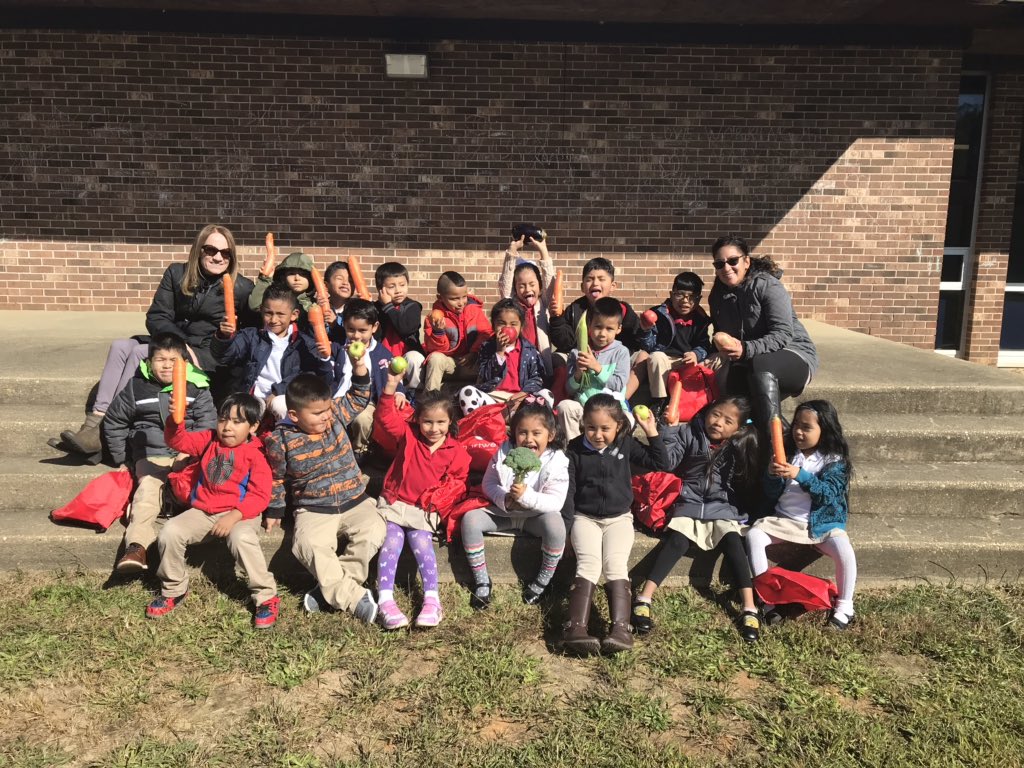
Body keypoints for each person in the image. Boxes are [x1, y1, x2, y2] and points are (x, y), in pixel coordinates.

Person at [58, 225, 253, 457]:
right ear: (198, 251)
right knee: (121, 346)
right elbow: (157, 316)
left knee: (140, 352)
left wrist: (223, 336)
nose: (218, 257)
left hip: (207, 354)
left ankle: (104, 430)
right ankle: (94, 422)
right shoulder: (176, 273)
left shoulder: (241, 288)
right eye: (210, 250)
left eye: (225, 252)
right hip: (173, 341)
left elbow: (247, 336)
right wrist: (181, 344)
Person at [631, 396, 763, 642]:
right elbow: (668, 463)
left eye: (728, 421)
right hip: (688, 500)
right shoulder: (687, 432)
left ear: (738, 428)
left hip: (721, 505)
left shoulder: (739, 444)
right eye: (716, 414)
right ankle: (644, 597)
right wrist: (659, 431)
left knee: (734, 542)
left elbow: (747, 479)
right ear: (707, 411)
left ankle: (749, 606)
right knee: (677, 541)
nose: (718, 423)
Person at [147, 393, 279, 629]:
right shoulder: (209, 440)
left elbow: (259, 495)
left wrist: (234, 516)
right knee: (170, 531)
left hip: (240, 513)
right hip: (203, 512)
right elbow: (177, 441)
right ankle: (174, 588)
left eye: (237, 422)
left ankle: (266, 597)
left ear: (254, 426)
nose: (227, 427)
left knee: (242, 538)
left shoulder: (256, 455)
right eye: (223, 419)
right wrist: (174, 420)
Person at [263, 372, 385, 624]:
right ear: (295, 415)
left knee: (374, 529)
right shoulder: (280, 439)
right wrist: (275, 510)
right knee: (307, 545)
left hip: (355, 499)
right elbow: (276, 478)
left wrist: (360, 367)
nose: (326, 416)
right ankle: (352, 597)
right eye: (317, 414)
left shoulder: (336, 415)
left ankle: (331, 588)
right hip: (314, 508)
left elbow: (360, 396)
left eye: (327, 409)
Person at [102, 332, 217, 574]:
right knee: (148, 491)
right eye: (160, 359)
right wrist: (124, 459)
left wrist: (189, 453)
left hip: (186, 455)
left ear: (184, 363)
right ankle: (136, 546)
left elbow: (207, 426)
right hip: (151, 455)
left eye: (173, 360)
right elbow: (114, 422)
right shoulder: (136, 388)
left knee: (197, 486)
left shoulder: (197, 387)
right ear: (148, 362)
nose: (166, 365)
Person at [562, 394, 668, 656]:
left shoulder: (626, 445)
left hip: (619, 519)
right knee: (588, 564)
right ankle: (576, 628)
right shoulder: (574, 450)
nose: (598, 434)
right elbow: (568, 493)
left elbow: (661, 463)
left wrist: (652, 432)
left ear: (619, 426)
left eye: (605, 428)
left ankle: (621, 629)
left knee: (615, 565)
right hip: (584, 518)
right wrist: (565, 532)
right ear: (583, 425)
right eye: (591, 427)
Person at [373, 371, 470, 630]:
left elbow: (459, 479)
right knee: (391, 543)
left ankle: (432, 600)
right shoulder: (409, 436)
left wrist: (443, 498)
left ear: (450, 421)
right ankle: (385, 600)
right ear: (418, 420)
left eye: (441, 422)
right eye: (428, 422)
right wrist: (390, 388)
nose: (434, 429)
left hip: (423, 512)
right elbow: (384, 418)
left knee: (422, 545)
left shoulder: (455, 451)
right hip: (395, 504)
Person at [748, 399, 857, 630]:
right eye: (796, 424)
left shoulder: (834, 462)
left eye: (806, 427)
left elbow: (827, 495)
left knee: (844, 549)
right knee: (754, 535)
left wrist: (801, 475)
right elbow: (772, 492)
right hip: (785, 520)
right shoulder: (788, 453)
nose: (798, 431)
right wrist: (772, 475)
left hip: (821, 524)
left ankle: (845, 606)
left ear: (824, 430)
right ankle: (768, 601)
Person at [461, 399, 568, 609]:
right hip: (504, 513)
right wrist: (504, 499)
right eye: (522, 432)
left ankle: (542, 581)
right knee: (470, 520)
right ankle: (482, 579)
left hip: (535, 518)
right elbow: (488, 483)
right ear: (513, 433)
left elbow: (556, 501)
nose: (529, 439)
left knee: (557, 525)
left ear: (551, 435)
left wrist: (526, 497)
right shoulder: (503, 452)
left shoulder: (558, 461)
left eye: (537, 433)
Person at [707, 235, 818, 433]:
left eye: (733, 261)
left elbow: (783, 334)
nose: (726, 268)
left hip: (793, 355)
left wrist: (746, 348)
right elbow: (721, 334)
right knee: (736, 401)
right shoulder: (717, 296)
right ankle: (783, 441)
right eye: (719, 263)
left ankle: (774, 450)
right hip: (749, 361)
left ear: (746, 261)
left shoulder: (767, 286)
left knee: (760, 364)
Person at [212, 284, 335, 423]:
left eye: (280, 314)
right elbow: (225, 356)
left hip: (286, 398)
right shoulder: (251, 336)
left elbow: (310, 376)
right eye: (268, 313)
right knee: (238, 411)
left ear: (294, 315)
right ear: (261, 311)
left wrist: (278, 391)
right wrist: (223, 338)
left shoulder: (305, 344)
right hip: (253, 398)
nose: (273, 320)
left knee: (280, 405)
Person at [547, 257, 644, 398]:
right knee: (557, 357)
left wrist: (645, 329)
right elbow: (565, 342)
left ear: (613, 285)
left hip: (616, 358)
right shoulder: (576, 309)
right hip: (583, 354)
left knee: (644, 356)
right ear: (582, 287)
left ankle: (622, 398)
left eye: (601, 279)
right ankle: (561, 396)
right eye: (590, 279)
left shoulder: (622, 309)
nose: (595, 283)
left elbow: (635, 338)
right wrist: (557, 318)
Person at [332, 298, 409, 454]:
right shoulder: (338, 349)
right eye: (351, 329)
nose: (356, 336)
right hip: (338, 398)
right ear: (344, 326)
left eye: (362, 330)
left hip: (367, 401)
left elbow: (392, 374)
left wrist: (399, 391)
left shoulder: (381, 353)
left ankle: (360, 449)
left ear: (374, 327)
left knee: (363, 419)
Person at [636, 271, 713, 415]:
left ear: (699, 299)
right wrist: (646, 330)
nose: (685, 301)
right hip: (665, 359)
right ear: (671, 294)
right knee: (656, 357)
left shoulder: (700, 319)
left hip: (686, 360)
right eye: (680, 295)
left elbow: (704, 345)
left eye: (691, 297)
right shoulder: (659, 314)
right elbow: (648, 346)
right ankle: (660, 400)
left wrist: (696, 354)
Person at [556, 297, 632, 441]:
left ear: (619, 329)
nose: (602, 333)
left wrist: (597, 368)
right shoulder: (576, 353)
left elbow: (618, 385)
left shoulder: (621, 352)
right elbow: (570, 389)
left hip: (611, 409)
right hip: (585, 409)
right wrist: (578, 374)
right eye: (598, 327)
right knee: (565, 407)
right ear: (589, 325)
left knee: (628, 418)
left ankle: (614, 453)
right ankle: (574, 448)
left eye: (609, 329)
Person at [457, 299, 547, 416]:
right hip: (493, 398)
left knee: (546, 394)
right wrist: (499, 351)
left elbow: (537, 378)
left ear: (521, 326)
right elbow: (485, 375)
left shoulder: (530, 351)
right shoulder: (487, 347)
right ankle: (477, 426)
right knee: (467, 392)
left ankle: (518, 423)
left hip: (520, 402)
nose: (507, 328)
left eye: (513, 324)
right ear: (493, 325)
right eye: (502, 323)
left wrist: (523, 394)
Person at [421, 271, 492, 392]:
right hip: (449, 363)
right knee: (435, 358)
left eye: (464, 297)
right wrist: (438, 332)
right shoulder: (433, 319)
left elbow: (486, 334)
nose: (461, 303)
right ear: (440, 298)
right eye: (454, 299)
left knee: (492, 357)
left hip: (472, 363)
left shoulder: (475, 312)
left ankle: (483, 398)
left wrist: (474, 353)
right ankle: (430, 400)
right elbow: (434, 349)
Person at [498, 234, 556, 375]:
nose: (528, 289)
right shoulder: (513, 305)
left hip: (541, 360)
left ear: (539, 286)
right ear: (515, 289)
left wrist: (543, 251)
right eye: (522, 286)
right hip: (518, 361)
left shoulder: (543, 302)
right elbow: (505, 284)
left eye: (532, 284)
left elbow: (550, 282)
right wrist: (512, 252)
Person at [374, 261, 426, 390]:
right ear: (381, 290)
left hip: (406, 355)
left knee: (415, 358)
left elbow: (405, 328)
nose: (398, 290)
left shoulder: (413, 306)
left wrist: (388, 307)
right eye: (391, 286)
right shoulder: (375, 308)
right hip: (383, 355)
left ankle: (414, 392)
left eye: (402, 285)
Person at [247, 250, 318, 320]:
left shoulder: (316, 304)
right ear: (283, 277)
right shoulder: (275, 299)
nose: (297, 278)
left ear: (311, 279)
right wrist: (264, 280)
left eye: (303, 274)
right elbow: (255, 306)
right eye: (291, 274)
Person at [322, 260, 353, 333]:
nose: (345, 283)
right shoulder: (317, 307)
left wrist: (334, 325)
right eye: (339, 278)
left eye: (350, 281)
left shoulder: (356, 310)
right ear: (326, 285)